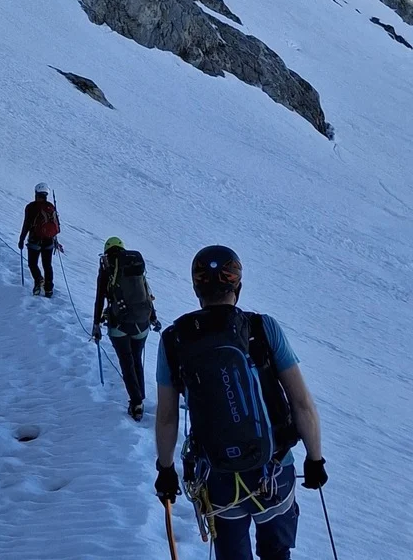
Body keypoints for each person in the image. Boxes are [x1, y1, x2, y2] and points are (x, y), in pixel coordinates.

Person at [154, 245, 327, 560]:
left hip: (217, 476)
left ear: (197, 289)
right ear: (238, 286)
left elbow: (167, 417)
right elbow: (300, 402)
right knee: (277, 553)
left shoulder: (173, 339)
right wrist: (315, 459)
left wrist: (165, 470)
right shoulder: (262, 328)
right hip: (273, 470)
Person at [91, 237, 162, 421]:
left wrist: (96, 323)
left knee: (126, 362)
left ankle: (136, 402)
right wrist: (153, 318)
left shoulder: (107, 266)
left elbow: (100, 297)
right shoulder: (135, 265)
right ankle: (140, 397)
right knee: (136, 359)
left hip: (119, 324)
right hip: (142, 323)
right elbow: (145, 292)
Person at [18, 183, 60, 297]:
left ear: (36, 193)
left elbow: (26, 224)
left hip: (34, 240)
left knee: (32, 263)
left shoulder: (31, 207)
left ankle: (38, 280)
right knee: (47, 265)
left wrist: (21, 239)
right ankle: (49, 290)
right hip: (49, 241)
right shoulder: (51, 206)